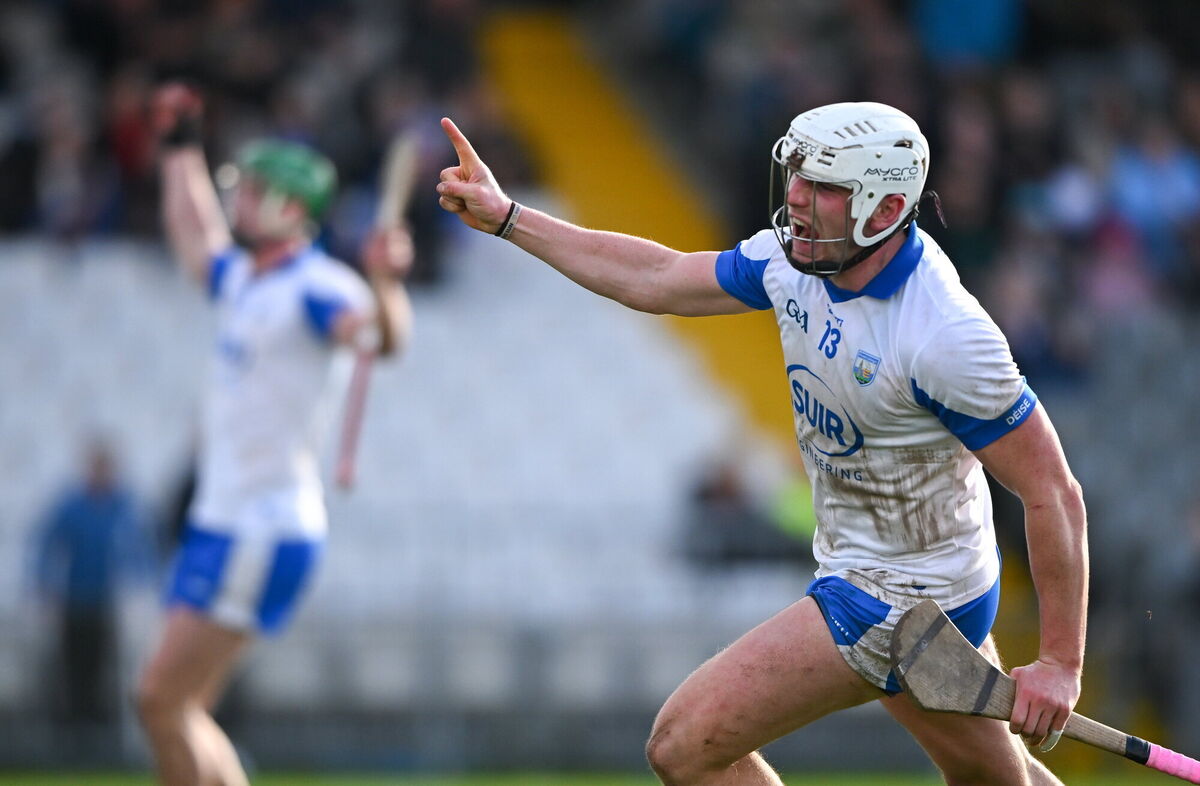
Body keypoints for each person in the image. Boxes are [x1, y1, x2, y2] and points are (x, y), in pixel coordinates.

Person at [437, 102, 1088, 785]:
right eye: (799, 178)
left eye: (826, 189)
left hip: (902, 599)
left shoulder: (944, 334)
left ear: (887, 206)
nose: (799, 201)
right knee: (997, 781)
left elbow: (1053, 491)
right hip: (902, 574)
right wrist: (510, 218)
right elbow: (655, 278)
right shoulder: (795, 261)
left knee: (684, 745)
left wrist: (1060, 664)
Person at [135, 84, 414, 786]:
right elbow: (195, 233)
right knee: (183, 710)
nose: (239, 200)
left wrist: (385, 285)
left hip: (257, 527)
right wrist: (179, 150)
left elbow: (382, 338)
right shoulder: (246, 279)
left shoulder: (320, 287)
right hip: (223, 518)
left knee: (158, 701)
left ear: (294, 208)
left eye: (254, 190)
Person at [32, 437, 153, 730]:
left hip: (110, 601)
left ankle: (104, 724)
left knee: (108, 665)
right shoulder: (72, 505)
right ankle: (75, 724)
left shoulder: (124, 505)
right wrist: (45, 583)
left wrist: (142, 586)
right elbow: (48, 545)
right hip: (77, 597)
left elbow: (142, 549)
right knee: (75, 663)